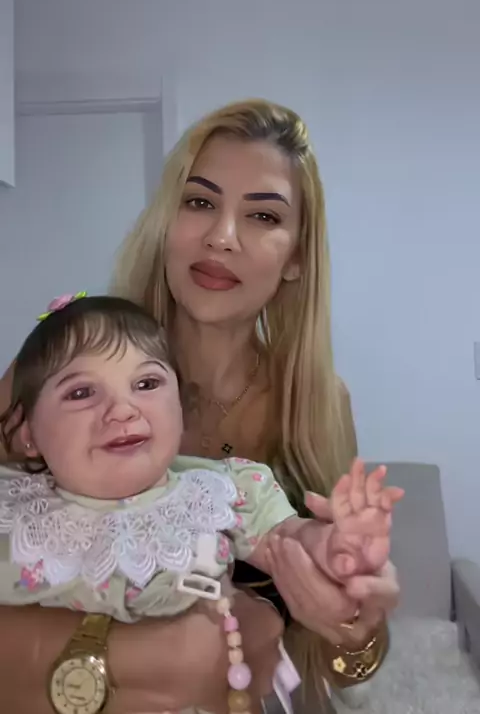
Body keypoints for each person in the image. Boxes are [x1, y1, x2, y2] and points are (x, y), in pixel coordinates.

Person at [0, 98, 400, 713]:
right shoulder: (57, 373)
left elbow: (342, 667)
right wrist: (152, 656)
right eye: (199, 202)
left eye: (262, 215)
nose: (222, 236)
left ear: (296, 256)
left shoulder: (321, 403)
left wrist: (354, 624)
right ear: (167, 219)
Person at [0, 293, 402, 714]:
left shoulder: (217, 490)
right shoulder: (15, 510)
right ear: (26, 434)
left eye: (146, 384)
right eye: (82, 392)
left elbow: (288, 541)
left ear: (181, 408)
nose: (121, 410)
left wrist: (336, 549)